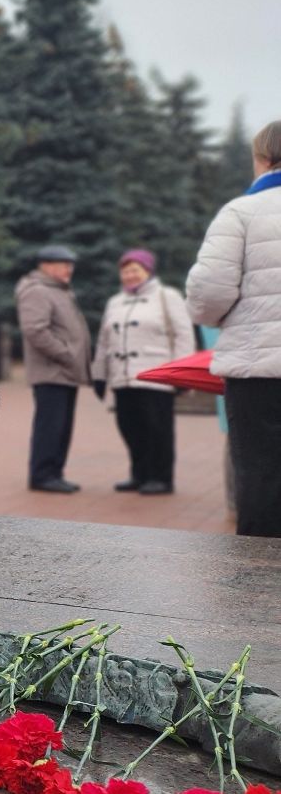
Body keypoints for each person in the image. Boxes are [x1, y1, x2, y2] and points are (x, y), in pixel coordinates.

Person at [187, 119, 281, 535]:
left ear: (261, 159)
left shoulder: (241, 212)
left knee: (260, 474)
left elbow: (207, 294)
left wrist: (225, 318)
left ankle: (258, 589)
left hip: (257, 370)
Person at [91, 249, 195, 495]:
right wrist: (99, 374)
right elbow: (104, 342)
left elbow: (183, 334)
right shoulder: (115, 302)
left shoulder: (166, 296)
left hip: (155, 376)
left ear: (148, 271)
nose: (130, 275)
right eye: (125, 271)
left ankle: (161, 478)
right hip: (122, 376)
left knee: (157, 429)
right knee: (129, 427)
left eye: (135, 270)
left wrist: (181, 372)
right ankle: (139, 474)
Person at [14, 246, 90, 493]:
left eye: (71, 264)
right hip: (52, 371)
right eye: (63, 264)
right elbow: (36, 330)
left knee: (62, 426)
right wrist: (66, 354)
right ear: (45, 265)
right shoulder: (38, 291)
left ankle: (54, 473)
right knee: (51, 426)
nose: (69, 269)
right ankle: (43, 475)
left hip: (64, 372)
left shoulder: (60, 290)